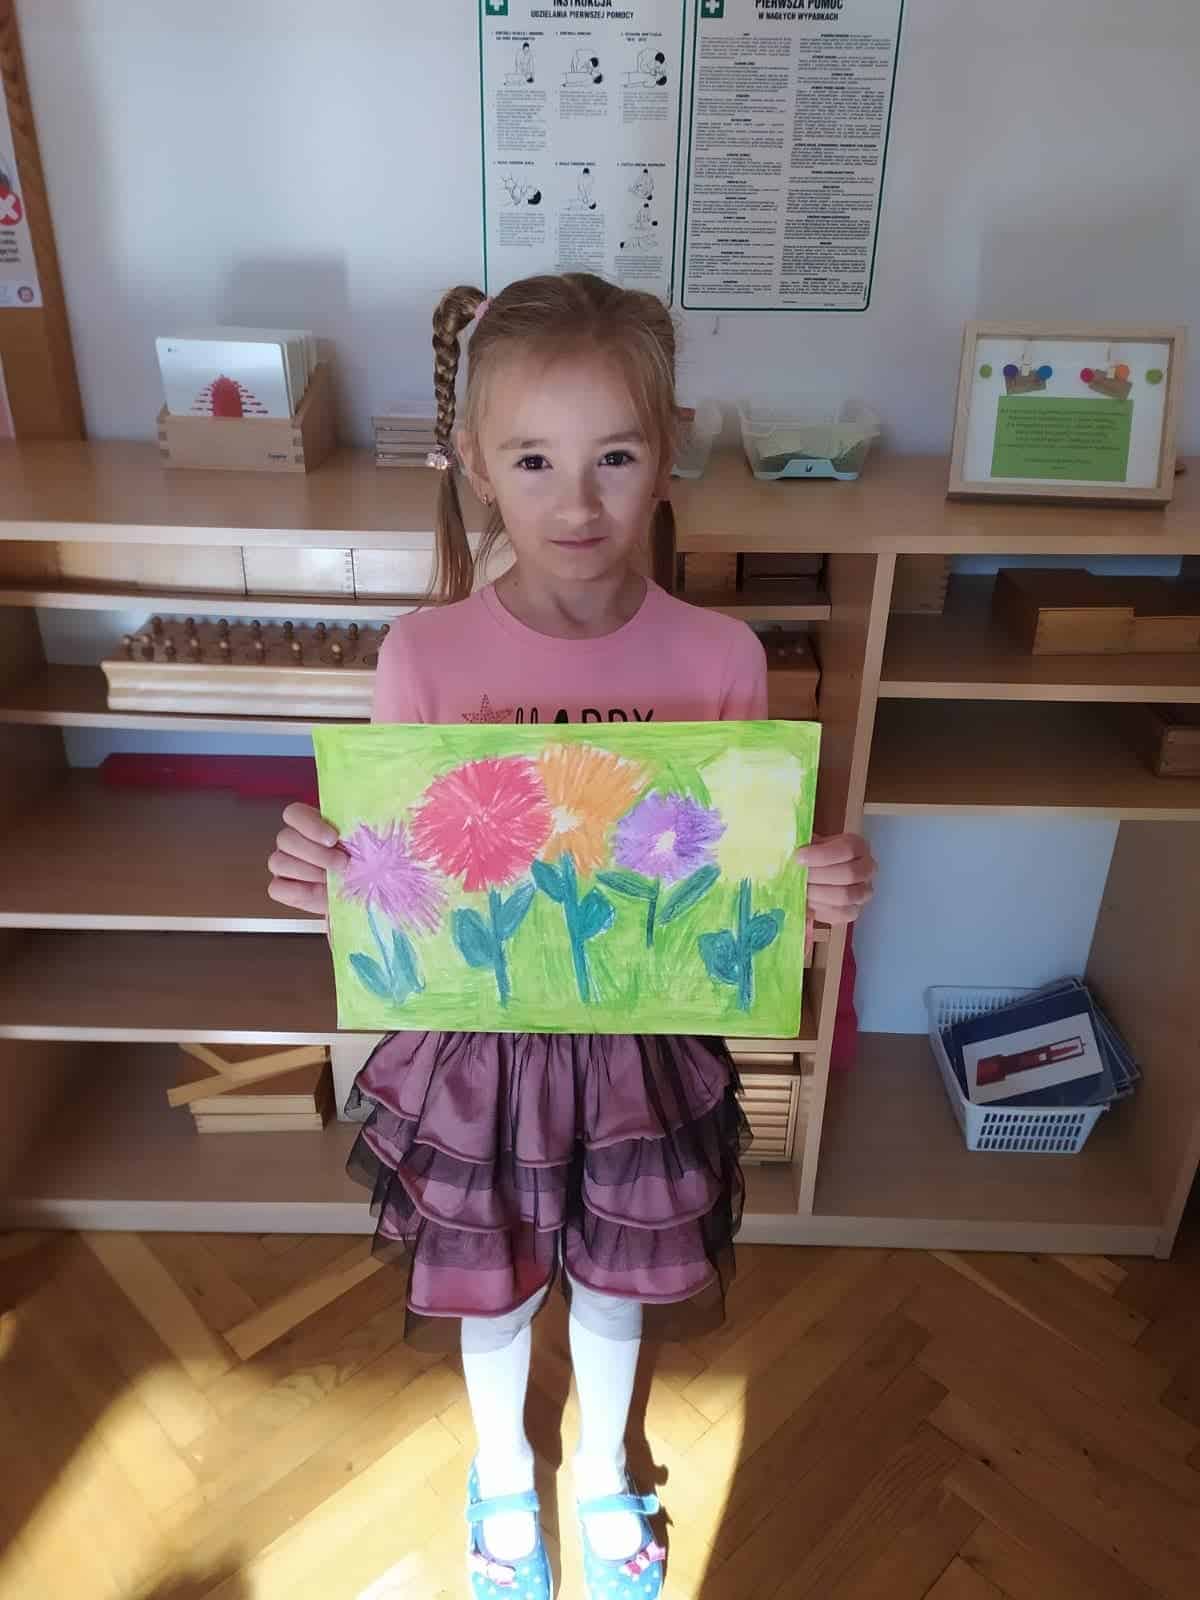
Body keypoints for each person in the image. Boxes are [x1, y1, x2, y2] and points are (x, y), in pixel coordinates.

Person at [267, 272, 876, 1598]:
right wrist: (328, 867)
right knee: (490, 1280)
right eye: (534, 459)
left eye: (615, 455)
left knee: (619, 1277)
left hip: (643, 1052)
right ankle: (501, 1471)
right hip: (477, 1052)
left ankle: (599, 1467)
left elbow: (742, 870)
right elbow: (396, 868)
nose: (578, 501)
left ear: (671, 451)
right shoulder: (424, 656)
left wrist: (816, 884)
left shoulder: (721, 656)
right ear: (475, 464)